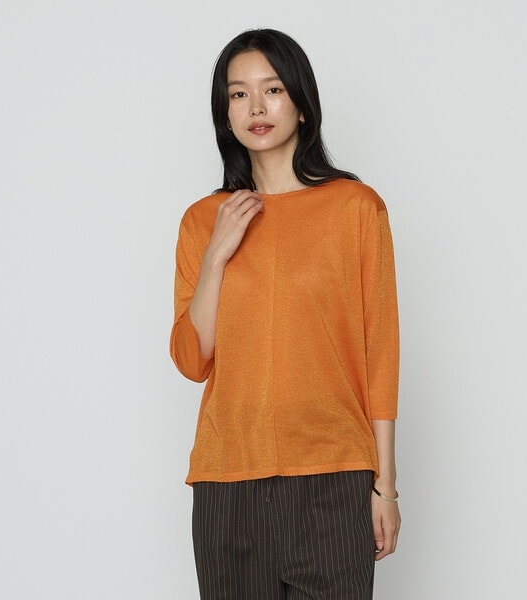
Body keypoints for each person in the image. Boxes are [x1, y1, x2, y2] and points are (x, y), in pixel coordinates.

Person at [170, 28, 401, 600]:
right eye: (239, 93)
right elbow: (192, 360)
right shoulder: (202, 221)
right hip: (229, 482)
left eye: (272, 89)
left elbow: (381, 355)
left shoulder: (356, 208)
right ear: (225, 114)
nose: (256, 106)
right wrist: (218, 253)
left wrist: (386, 488)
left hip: (333, 478)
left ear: (301, 103)